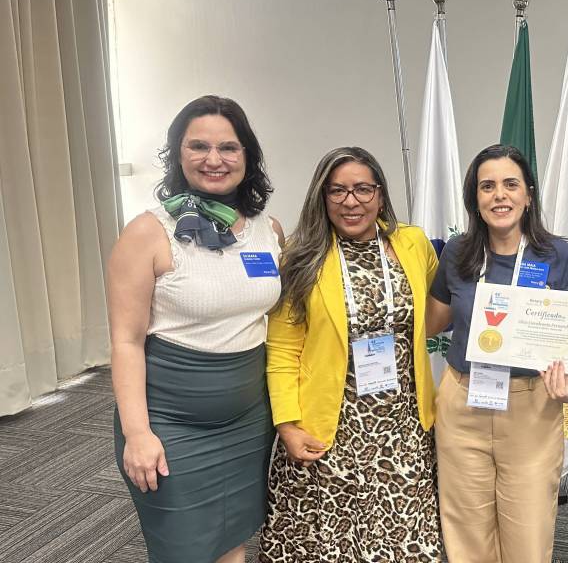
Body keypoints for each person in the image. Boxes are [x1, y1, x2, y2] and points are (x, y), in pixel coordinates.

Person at [108, 95, 283, 563]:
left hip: (249, 419)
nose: (214, 159)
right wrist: (137, 433)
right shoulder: (147, 233)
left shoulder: (268, 231)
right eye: (198, 146)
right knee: (182, 549)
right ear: (178, 154)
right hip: (171, 423)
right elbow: (125, 342)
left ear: (247, 156)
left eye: (228, 147)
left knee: (232, 540)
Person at [258, 146, 442, 562]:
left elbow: (433, 310)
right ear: (322, 197)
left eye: (362, 189)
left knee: (404, 539)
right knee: (329, 544)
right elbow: (282, 348)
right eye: (337, 190)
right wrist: (287, 425)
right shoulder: (301, 256)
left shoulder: (412, 244)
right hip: (329, 427)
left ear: (380, 193)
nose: (351, 201)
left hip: (402, 426)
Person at [426, 144, 568, 563]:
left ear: (528, 195)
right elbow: (430, 323)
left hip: (531, 408)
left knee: (528, 533)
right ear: (475, 199)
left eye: (510, 184)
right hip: (463, 402)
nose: (499, 195)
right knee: (466, 531)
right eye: (487, 186)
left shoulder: (557, 255)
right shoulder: (458, 252)